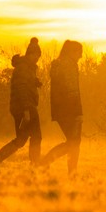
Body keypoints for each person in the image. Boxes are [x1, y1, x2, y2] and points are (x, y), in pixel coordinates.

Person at [0, 37, 42, 173]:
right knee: (36, 137)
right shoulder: (23, 68)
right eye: (36, 56)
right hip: (25, 107)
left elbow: (25, 84)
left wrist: (35, 82)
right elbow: (21, 90)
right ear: (30, 54)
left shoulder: (26, 68)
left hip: (22, 107)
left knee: (22, 139)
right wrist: (27, 110)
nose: (37, 59)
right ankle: (34, 166)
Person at [41, 39, 83, 176]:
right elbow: (73, 91)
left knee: (72, 141)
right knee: (74, 142)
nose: (81, 56)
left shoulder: (59, 65)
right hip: (71, 110)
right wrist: (78, 112)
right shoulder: (69, 66)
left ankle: (47, 163)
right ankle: (69, 171)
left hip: (59, 110)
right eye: (79, 52)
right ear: (72, 52)